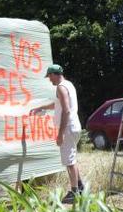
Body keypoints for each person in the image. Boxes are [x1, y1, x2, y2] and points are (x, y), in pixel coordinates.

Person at [33, 64, 84, 203]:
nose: (50, 80)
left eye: (49, 76)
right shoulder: (69, 85)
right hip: (74, 126)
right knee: (71, 157)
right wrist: (41, 107)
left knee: (70, 161)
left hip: (67, 128)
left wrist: (60, 133)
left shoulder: (61, 87)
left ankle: (74, 193)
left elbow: (66, 110)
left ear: (55, 74)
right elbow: (58, 104)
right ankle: (80, 187)